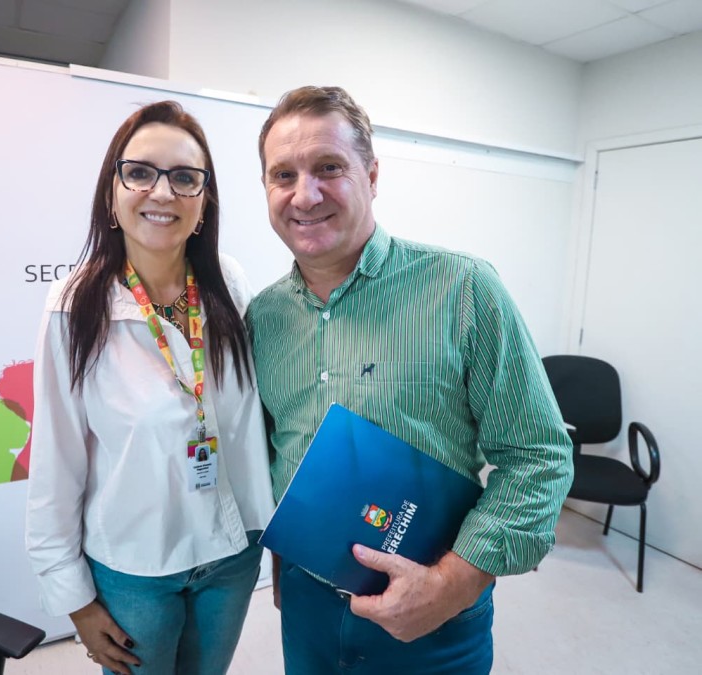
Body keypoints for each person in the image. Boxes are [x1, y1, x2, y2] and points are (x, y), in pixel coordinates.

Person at [246, 85, 574, 675]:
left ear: (372, 176)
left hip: (437, 613)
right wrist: (282, 562)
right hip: (307, 604)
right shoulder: (264, 318)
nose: (305, 194)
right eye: (283, 175)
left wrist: (454, 583)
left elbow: (539, 455)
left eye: (329, 167)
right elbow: (277, 451)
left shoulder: (463, 289)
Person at [26, 100, 274, 675]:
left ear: (204, 201)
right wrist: (74, 598)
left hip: (233, 553)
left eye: (185, 178)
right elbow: (56, 461)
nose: (162, 192)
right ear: (112, 192)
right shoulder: (74, 307)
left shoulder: (228, 283)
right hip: (136, 567)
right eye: (139, 172)